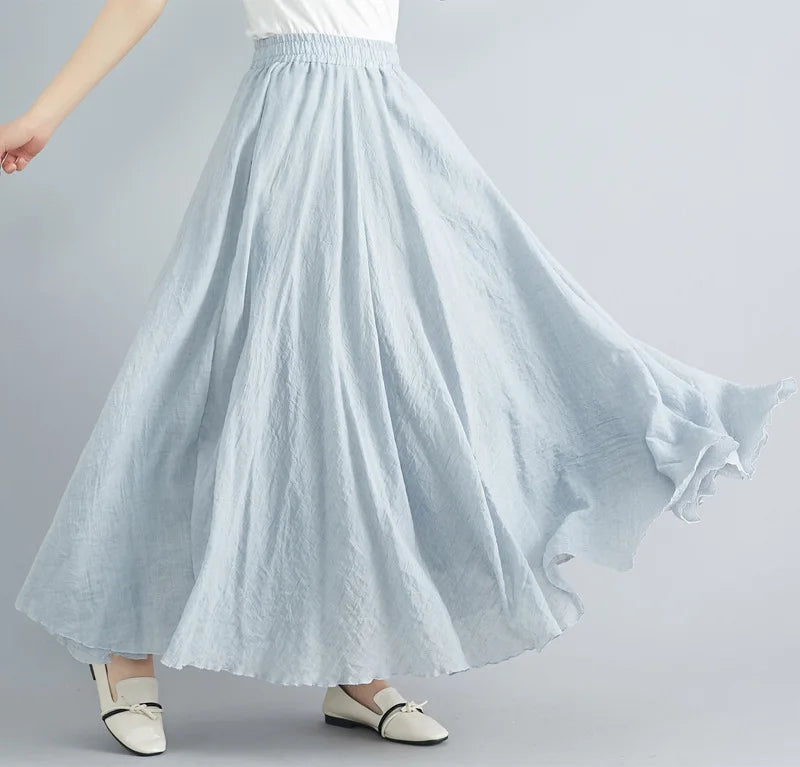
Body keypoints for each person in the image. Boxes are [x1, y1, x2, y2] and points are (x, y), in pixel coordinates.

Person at [4, 0, 797, 758]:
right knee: (211, 370)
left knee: (391, 375)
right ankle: (121, 641)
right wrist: (45, 115)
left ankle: (355, 659)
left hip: (382, 121)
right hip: (292, 124)